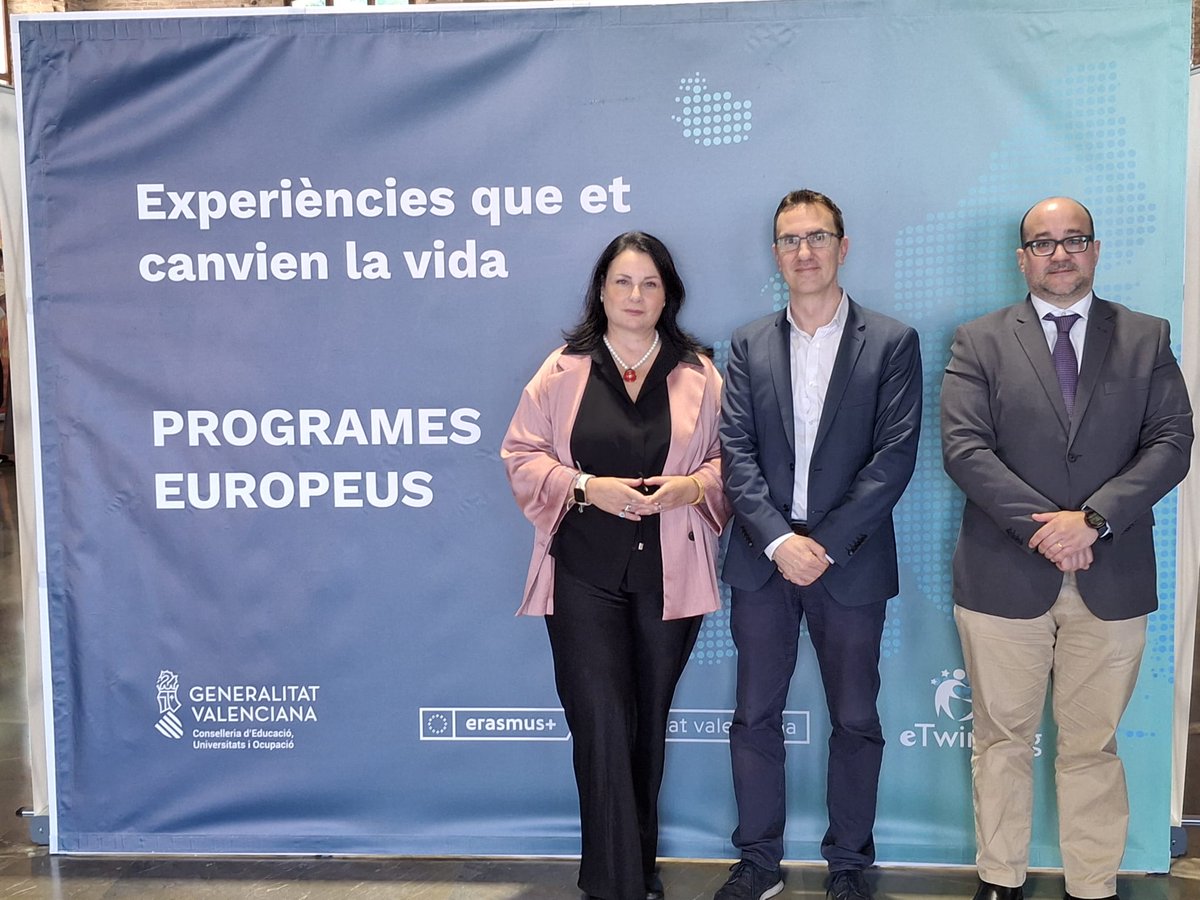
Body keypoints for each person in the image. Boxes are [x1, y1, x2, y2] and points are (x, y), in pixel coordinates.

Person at [940, 197, 1193, 900]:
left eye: (1073, 240)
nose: (1059, 254)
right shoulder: (978, 340)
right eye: (1043, 243)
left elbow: (1172, 442)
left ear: (1095, 250)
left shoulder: (1145, 337)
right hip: (1002, 575)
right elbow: (965, 448)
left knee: (1092, 745)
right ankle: (1000, 879)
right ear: (1022, 258)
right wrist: (1048, 530)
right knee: (1001, 739)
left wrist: (1094, 521)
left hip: (1112, 573)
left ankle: (1093, 884)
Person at [501, 231, 730, 900]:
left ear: (668, 296)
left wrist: (693, 488)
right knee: (599, 720)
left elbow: (731, 463)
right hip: (582, 572)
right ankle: (615, 882)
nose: (635, 295)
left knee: (645, 721)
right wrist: (583, 486)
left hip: (668, 574)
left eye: (649, 283)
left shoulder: (699, 373)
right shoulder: (562, 370)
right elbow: (521, 455)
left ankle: (637, 863)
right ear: (600, 292)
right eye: (622, 282)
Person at [716, 190, 922, 900]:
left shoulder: (891, 342)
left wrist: (823, 545)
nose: (804, 251)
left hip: (851, 564)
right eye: (790, 239)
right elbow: (735, 454)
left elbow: (894, 459)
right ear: (776, 253)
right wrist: (780, 541)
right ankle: (758, 862)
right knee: (754, 718)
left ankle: (850, 865)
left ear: (843, 246)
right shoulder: (746, 344)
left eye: (817, 237)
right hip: (763, 562)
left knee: (856, 720)